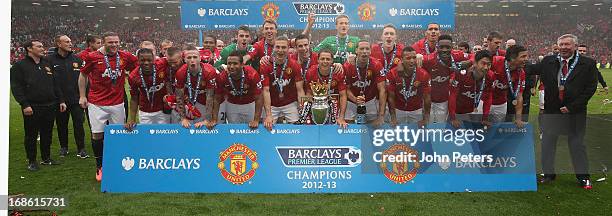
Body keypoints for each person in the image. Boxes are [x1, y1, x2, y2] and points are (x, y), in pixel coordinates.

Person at [531, 34, 598, 189]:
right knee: (548, 143)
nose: (564, 48)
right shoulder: (548, 61)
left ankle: (583, 177)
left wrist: (572, 106)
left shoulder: (587, 63)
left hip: (575, 112)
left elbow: (590, 88)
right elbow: (530, 68)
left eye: (567, 44)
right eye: (561, 45)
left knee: (577, 144)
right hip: (552, 111)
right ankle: (548, 174)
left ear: (575, 46)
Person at [79, 32, 138, 182]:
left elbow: (141, 64)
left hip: (117, 103)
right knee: (97, 134)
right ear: (103, 43)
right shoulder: (92, 57)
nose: (114, 45)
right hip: (96, 103)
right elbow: (83, 75)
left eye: (116, 42)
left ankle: (117, 163)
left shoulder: (125, 56)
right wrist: (82, 96)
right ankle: (99, 166)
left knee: (119, 134)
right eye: (110, 42)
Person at [11, 39, 67, 171]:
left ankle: (46, 158)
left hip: (50, 105)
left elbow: (55, 84)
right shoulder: (19, 66)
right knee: (31, 134)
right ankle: (31, 161)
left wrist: (61, 100)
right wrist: (25, 104)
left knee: (47, 133)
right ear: (29, 49)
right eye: (39, 46)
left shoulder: (47, 63)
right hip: (32, 106)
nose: (43, 48)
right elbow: (16, 87)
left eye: (43, 46)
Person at [48, 35, 88, 158]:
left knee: (78, 124)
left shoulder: (77, 59)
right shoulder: (49, 60)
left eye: (71, 41)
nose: (70, 43)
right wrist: (58, 99)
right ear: (58, 44)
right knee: (61, 125)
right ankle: (64, 147)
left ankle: (81, 148)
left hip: (76, 99)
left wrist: (84, 96)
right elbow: (50, 81)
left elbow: (85, 79)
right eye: (67, 42)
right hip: (59, 100)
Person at [421, 34, 470, 123]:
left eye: (447, 47)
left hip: (443, 102)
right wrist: (417, 57)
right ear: (437, 47)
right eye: (441, 47)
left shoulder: (457, 55)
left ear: (452, 47)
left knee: (440, 129)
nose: (444, 50)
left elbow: (475, 57)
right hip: (428, 101)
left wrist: (469, 62)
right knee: (428, 129)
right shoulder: (429, 59)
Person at [261, 36, 305, 130]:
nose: (280, 50)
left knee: (298, 128)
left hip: (290, 103)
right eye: (277, 47)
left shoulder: (294, 65)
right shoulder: (266, 65)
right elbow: (266, 91)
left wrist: (302, 111)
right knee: (267, 128)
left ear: (288, 48)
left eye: (284, 47)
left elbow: (300, 90)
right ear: (273, 48)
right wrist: (268, 115)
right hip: (272, 105)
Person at [212, 51, 263, 128]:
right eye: (229, 63)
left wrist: (256, 120)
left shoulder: (252, 74)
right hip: (232, 105)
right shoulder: (222, 76)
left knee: (252, 130)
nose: (231, 66)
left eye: (235, 63)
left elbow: (259, 98)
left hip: (250, 105)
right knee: (234, 130)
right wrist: (214, 119)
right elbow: (217, 98)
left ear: (242, 65)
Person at [343, 40, 386, 126]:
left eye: (367, 49)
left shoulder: (376, 65)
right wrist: (355, 99)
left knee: (373, 126)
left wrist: (381, 116)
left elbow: (382, 90)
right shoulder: (347, 66)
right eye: (361, 49)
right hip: (351, 101)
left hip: (369, 101)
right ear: (356, 51)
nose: (364, 51)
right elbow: (345, 89)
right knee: (347, 127)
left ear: (370, 51)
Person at [124, 48, 169, 131]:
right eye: (142, 60)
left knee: (164, 136)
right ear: (138, 60)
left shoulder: (162, 64)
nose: (146, 63)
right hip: (145, 111)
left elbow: (178, 56)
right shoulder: (133, 76)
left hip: (162, 110)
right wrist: (132, 119)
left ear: (154, 59)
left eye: (149, 60)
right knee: (147, 137)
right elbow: (134, 98)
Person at [387, 46, 431, 127]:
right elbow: (390, 97)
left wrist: (426, 118)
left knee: (416, 137)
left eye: (414, 58)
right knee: (398, 138)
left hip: (416, 111)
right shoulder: (393, 73)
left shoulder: (423, 74)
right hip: (398, 110)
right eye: (408, 58)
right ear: (402, 60)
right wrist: (393, 116)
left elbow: (427, 97)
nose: (412, 61)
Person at [303, 49, 349, 127]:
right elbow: (309, 93)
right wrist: (307, 113)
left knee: (333, 126)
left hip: (333, 104)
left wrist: (341, 117)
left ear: (332, 61)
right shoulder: (311, 72)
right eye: (322, 59)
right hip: (316, 105)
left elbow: (343, 95)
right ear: (318, 60)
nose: (325, 61)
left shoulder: (338, 72)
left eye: (328, 59)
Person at [175, 46, 218, 128]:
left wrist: (207, 119)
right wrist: (183, 118)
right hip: (193, 101)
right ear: (184, 60)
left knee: (206, 126)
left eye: (195, 57)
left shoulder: (209, 71)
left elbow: (210, 97)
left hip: (209, 101)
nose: (192, 60)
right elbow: (179, 97)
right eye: (189, 57)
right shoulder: (180, 72)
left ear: (200, 58)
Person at [448, 50, 494, 127]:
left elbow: (488, 97)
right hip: (456, 111)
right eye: (483, 63)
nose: (486, 67)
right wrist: (453, 117)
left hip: (473, 110)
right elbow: (453, 95)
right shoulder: (462, 74)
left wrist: (485, 117)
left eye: (489, 64)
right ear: (475, 63)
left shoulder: (490, 76)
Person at [488, 45, 527, 127]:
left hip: (500, 103)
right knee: (477, 127)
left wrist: (518, 118)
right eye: (523, 56)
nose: (526, 59)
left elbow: (519, 96)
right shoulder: (495, 61)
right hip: (483, 100)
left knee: (496, 129)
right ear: (512, 58)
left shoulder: (521, 73)